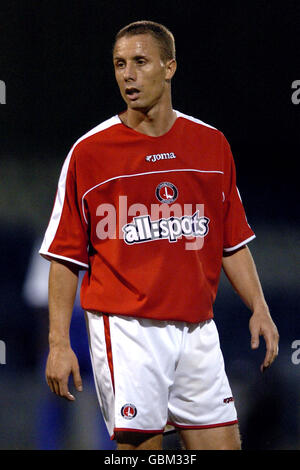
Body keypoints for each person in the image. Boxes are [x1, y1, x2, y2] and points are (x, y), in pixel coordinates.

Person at [39, 20, 279, 450]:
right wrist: (58, 344)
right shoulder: (89, 153)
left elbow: (231, 240)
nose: (127, 74)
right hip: (128, 330)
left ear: (169, 67)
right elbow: (64, 257)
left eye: (140, 62)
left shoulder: (211, 145)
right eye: (119, 64)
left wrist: (258, 306)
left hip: (198, 331)